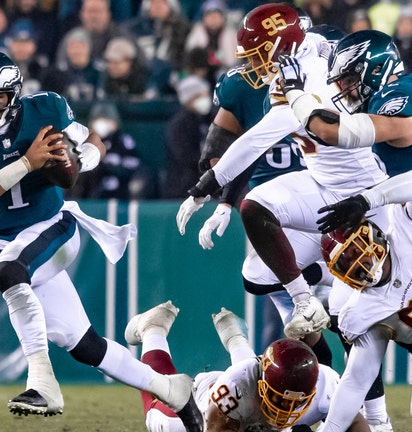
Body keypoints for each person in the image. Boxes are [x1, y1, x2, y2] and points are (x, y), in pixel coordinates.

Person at [0, 50, 203, 431]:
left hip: (53, 228)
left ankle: (42, 384)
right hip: (6, 240)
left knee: (10, 271)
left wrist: (86, 158)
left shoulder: (45, 110)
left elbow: (91, 138)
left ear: (14, 93)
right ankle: (174, 391)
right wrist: (26, 163)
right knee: (85, 345)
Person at [176, 4, 389, 342]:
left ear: (280, 47)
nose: (252, 64)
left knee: (359, 318)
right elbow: (309, 34)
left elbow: (255, 140)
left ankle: (325, 284)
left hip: (363, 196)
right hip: (322, 184)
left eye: (259, 54)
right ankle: (307, 296)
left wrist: (203, 188)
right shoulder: (302, 52)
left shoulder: (307, 75)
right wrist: (221, 199)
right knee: (256, 263)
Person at [125, 301, 370, 432]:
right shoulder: (232, 390)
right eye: (280, 399)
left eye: (297, 402)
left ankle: (233, 335)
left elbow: (356, 422)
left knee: (247, 374)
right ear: (263, 385)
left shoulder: (327, 383)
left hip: (247, 392)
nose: (286, 409)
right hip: (208, 404)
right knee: (160, 421)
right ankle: (153, 329)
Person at [308, 171, 412, 432]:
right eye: (344, 262)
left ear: (373, 233)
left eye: (355, 249)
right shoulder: (362, 311)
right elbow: (356, 380)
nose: (356, 262)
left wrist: (368, 199)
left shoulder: (405, 227)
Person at [281, 30, 411, 179]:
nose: (344, 91)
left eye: (349, 81)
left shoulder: (395, 95)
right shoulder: (401, 88)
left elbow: (332, 131)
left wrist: (294, 92)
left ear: (376, 70)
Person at [160, 74, 213, 199]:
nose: (204, 99)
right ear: (187, 100)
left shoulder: (213, 118)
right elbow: (185, 157)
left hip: (212, 186)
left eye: (205, 95)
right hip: (183, 188)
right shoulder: (178, 125)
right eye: (198, 96)